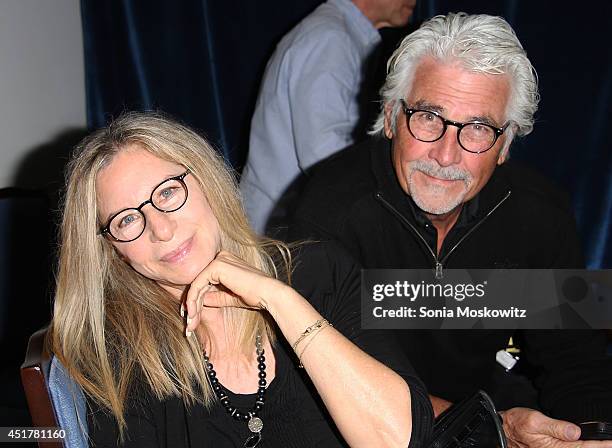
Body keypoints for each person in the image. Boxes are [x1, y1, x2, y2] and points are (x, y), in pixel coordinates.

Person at [289, 12, 612, 448]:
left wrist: (590, 434)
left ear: (505, 144)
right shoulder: (329, 211)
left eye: (478, 128)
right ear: (390, 118)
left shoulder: (541, 212)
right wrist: (489, 428)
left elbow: (577, 362)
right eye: (428, 117)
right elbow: (326, 378)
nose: (445, 155)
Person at [48, 112, 432, 447]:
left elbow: (400, 439)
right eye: (127, 219)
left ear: (207, 183)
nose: (161, 229)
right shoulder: (120, 361)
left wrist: (280, 301)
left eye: (168, 192)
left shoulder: (319, 272)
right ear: (112, 249)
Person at [240, 0, 416, 234]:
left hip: (284, 227)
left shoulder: (334, 33)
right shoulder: (331, 39)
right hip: (284, 235)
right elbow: (323, 153)